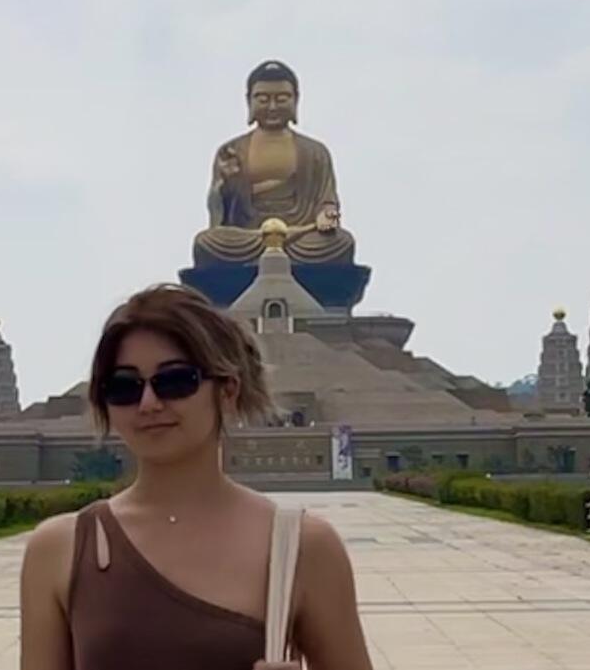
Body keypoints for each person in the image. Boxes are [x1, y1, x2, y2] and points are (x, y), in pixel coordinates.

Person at [19, 284, 373, 670]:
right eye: (124, 387)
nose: (149, 404)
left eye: (175, 381)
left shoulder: (302, 547)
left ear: (227, 390)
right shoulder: (61, 550)